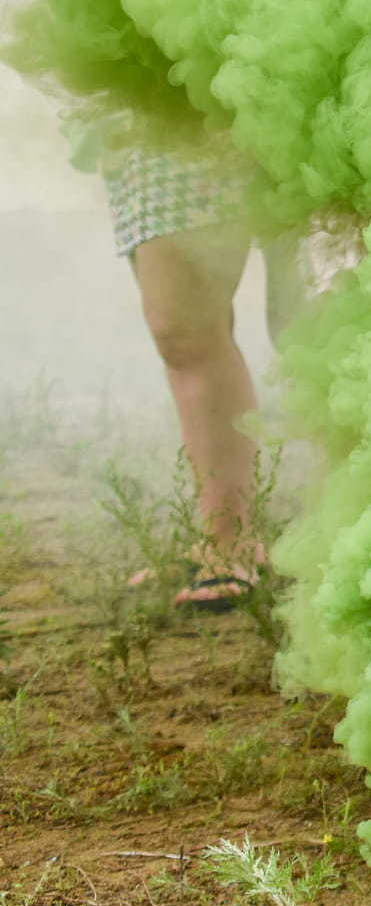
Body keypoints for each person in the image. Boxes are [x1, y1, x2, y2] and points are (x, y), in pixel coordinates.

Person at [77, 124, 297, 610]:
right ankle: (224, 536)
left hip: (263, 93)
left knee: (314, 325)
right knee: (182, 332)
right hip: (156, 114)